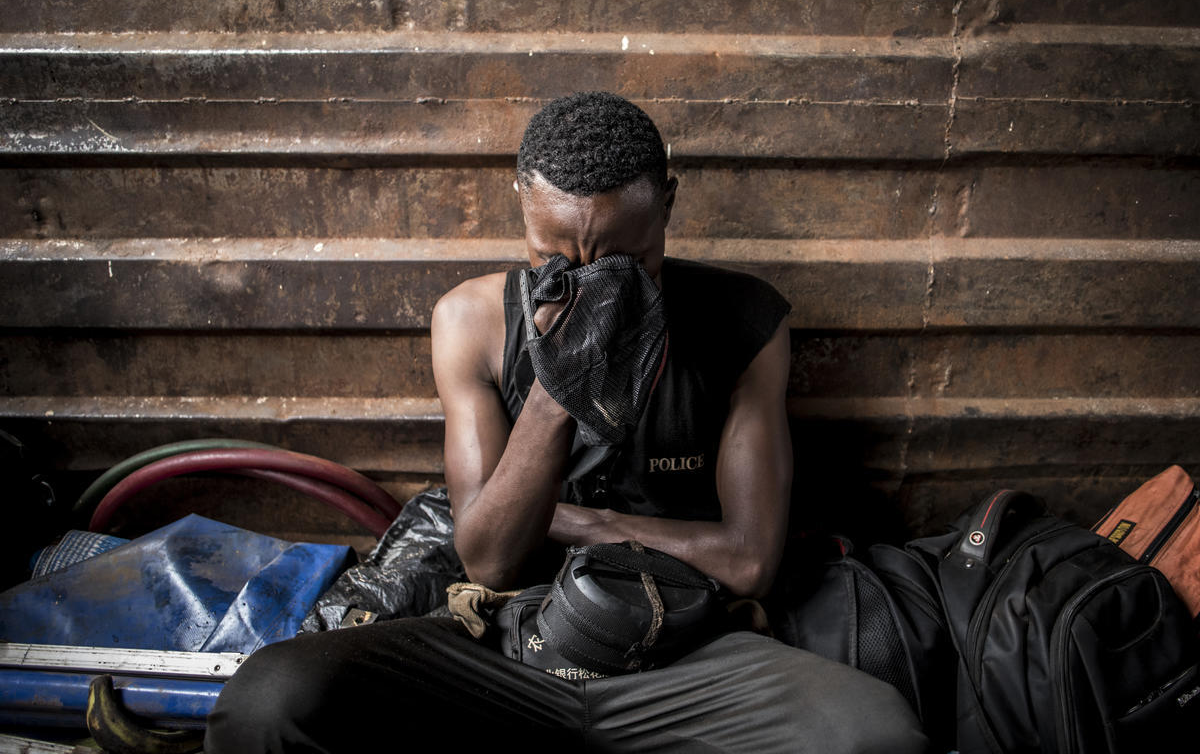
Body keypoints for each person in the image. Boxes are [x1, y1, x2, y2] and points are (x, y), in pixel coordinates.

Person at [204, 92, 929, 753]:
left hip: (677, 654)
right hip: (501, 643)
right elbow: (489, 559)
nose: (595, 290)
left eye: (626, 263)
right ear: (522, 207)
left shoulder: (745, 323)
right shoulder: (473, 321)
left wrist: (580, 523)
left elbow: (748, 561)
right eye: (555, 260)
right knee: (270, 698)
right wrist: (558, 390)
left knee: (875, 732)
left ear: (667, 207)